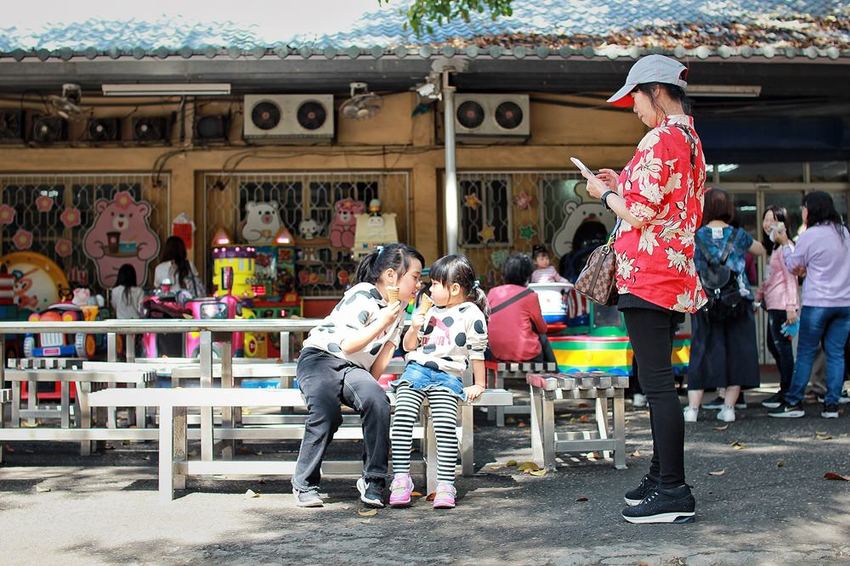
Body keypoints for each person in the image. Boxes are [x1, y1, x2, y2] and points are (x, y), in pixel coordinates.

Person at [582, 54, 706, 524]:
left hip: (647, 273)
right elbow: (664, 202)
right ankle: (660, 477)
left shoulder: (659, 138)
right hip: (672, 272)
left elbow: (637, 214)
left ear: (655, 91)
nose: (633, 106)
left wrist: (603, 194)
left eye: (635, 96)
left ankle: (673, 489)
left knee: (656, 385)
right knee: (659, 382)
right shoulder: (689, 139)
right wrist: (622, 183)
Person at [291, 243, 424, 508]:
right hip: (320, 359)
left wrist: (368, 389)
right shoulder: (362, 294)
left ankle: (374, 481)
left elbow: (383, 356)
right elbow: (348, 345)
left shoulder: (399, 310)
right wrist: (383, 321)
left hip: (353, 370)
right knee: (326, 412)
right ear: (391, 275)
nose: (419, 285)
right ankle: (304, 483)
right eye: (415, 277)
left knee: (378, 401)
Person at [389, 254, 488, 509]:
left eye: (434, 284)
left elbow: (477, 351)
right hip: (416, 370)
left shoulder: (471, 313)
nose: (429, 289)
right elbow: (408, 347)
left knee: (445, 426)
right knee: (402, 418)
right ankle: (401, 479)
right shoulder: (429, 310)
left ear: (453, 288)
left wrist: (480, 384)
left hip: (448, 376)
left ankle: (445, 483)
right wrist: (414, 327)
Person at [686, 188, 766, 422]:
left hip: (706, 302)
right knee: (736, 354)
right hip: (736, 302)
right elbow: (760, 250)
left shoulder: (695, 236)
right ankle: (729, 409)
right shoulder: (739, 235)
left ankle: (692, 410)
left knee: (701, 352)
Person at [769, 191, 850, 419]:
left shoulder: (810, 235)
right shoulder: (844, 233)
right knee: (836, 354)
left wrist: (785, 244)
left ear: (811, 210)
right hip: (845, 304)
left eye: (804, 208)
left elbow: (794, 266)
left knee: (805, 352)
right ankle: (831, 405)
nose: (802, 212)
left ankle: (794, 402)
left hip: (818, 303)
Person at [756, 206, 799, 409]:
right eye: (765, 220)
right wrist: (759, 297)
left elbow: (792, 278)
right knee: (775, 346)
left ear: (782, 223)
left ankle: (789, 392)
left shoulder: (785, 247)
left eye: (773, 220)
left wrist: (791, 306)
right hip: (774, 305)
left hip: (783, 305)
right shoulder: (775, 248)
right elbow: (770, 278)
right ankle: (785, 389)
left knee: (782, 348)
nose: (767, 224)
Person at [487, 253, 555, 363]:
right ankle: (554, 370)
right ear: (527, 275)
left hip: (496, 353)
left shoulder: (492, 293)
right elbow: (542, 328)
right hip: (526, 355)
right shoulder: (530, 295)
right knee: (542, 336)